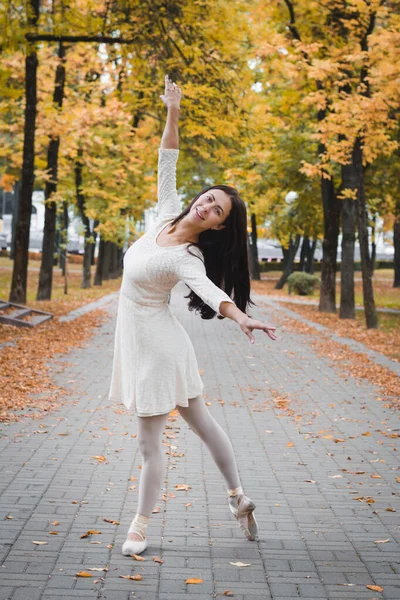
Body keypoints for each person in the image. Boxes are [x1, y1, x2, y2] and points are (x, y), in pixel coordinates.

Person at [108, 75, 277, 556]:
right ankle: (239, 497)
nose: (206, 206)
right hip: (145, 337)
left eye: (217, 209)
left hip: (157, 348)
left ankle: (139, 526)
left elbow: (211, 292)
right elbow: (168, 159)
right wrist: (172, 112)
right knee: (202, 423)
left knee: (150, 444)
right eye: (208, 198)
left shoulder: (189, 257)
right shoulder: (164, 213)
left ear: (220, 224)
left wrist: (242, 318)